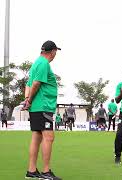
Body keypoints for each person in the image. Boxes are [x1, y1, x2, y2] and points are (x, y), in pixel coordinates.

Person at [22, 40, 62, 179]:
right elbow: (36, 83)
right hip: (43, 106)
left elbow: (28, 84)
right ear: (52, 52)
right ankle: (46, 172)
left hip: (37, 107)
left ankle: (31, 171)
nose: (55, 54)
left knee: (37, 137)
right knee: (49, 137)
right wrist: (30, 100)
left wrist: (27, 100)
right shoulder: (44, 63)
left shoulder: (36, 63)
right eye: (55, 52)